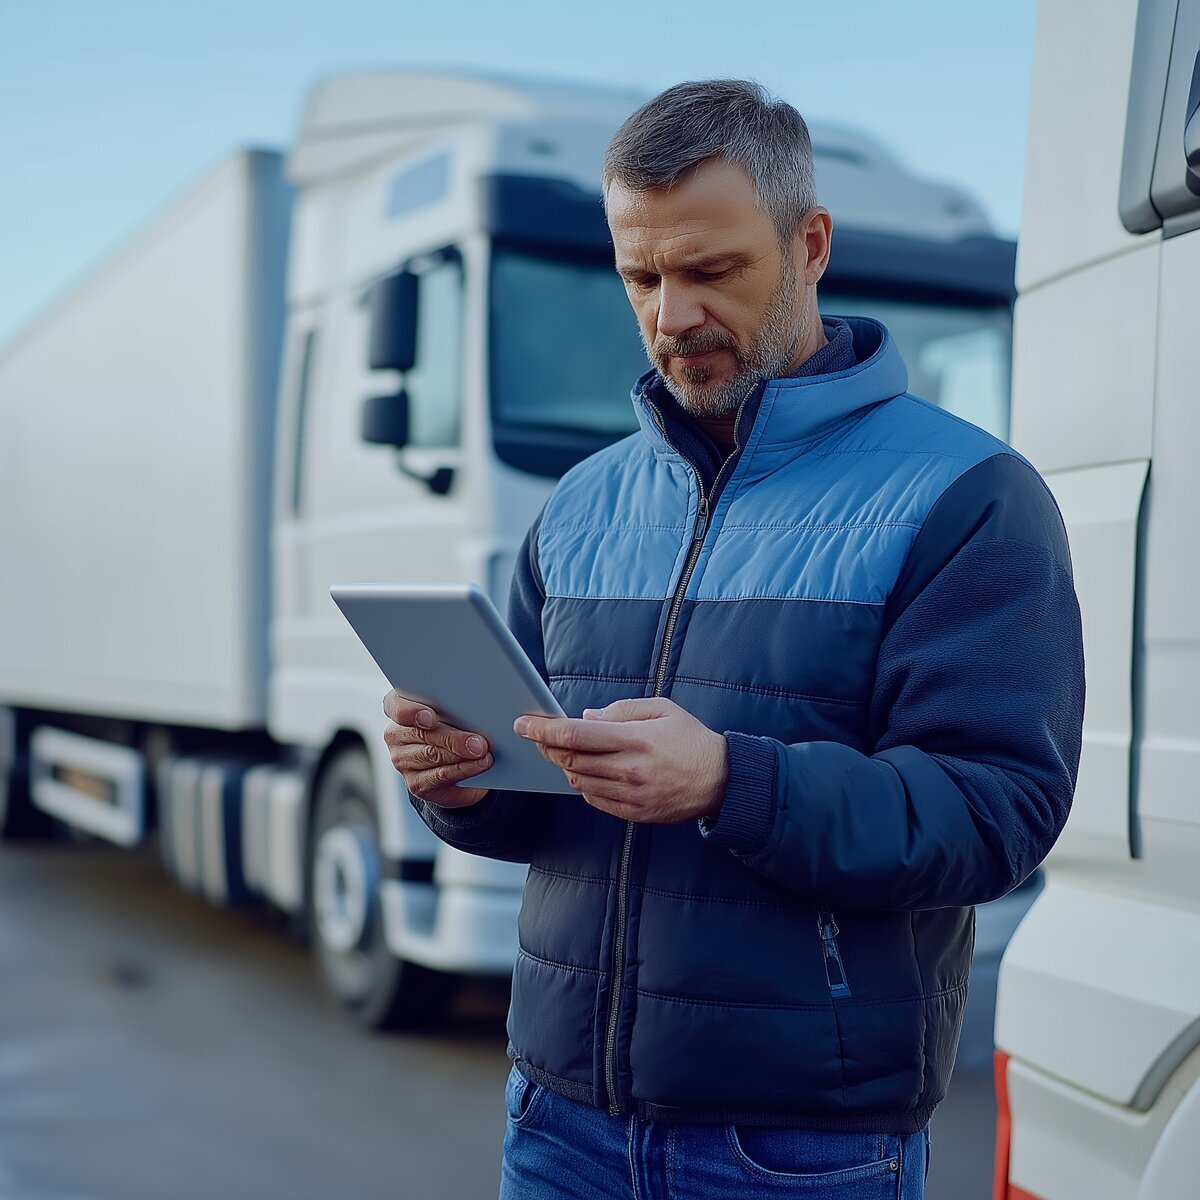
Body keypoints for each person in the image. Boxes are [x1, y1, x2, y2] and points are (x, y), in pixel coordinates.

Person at [383, 79, 1084, 1199]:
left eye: (711, 271)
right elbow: (536, 806)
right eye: (641, 275)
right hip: (558, 1124)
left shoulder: (967, 495)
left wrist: (728, 782)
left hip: (799, 1151)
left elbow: (996, 817)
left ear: (810, 245)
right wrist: (459, 781)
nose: (672, 315)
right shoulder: (579, 505)